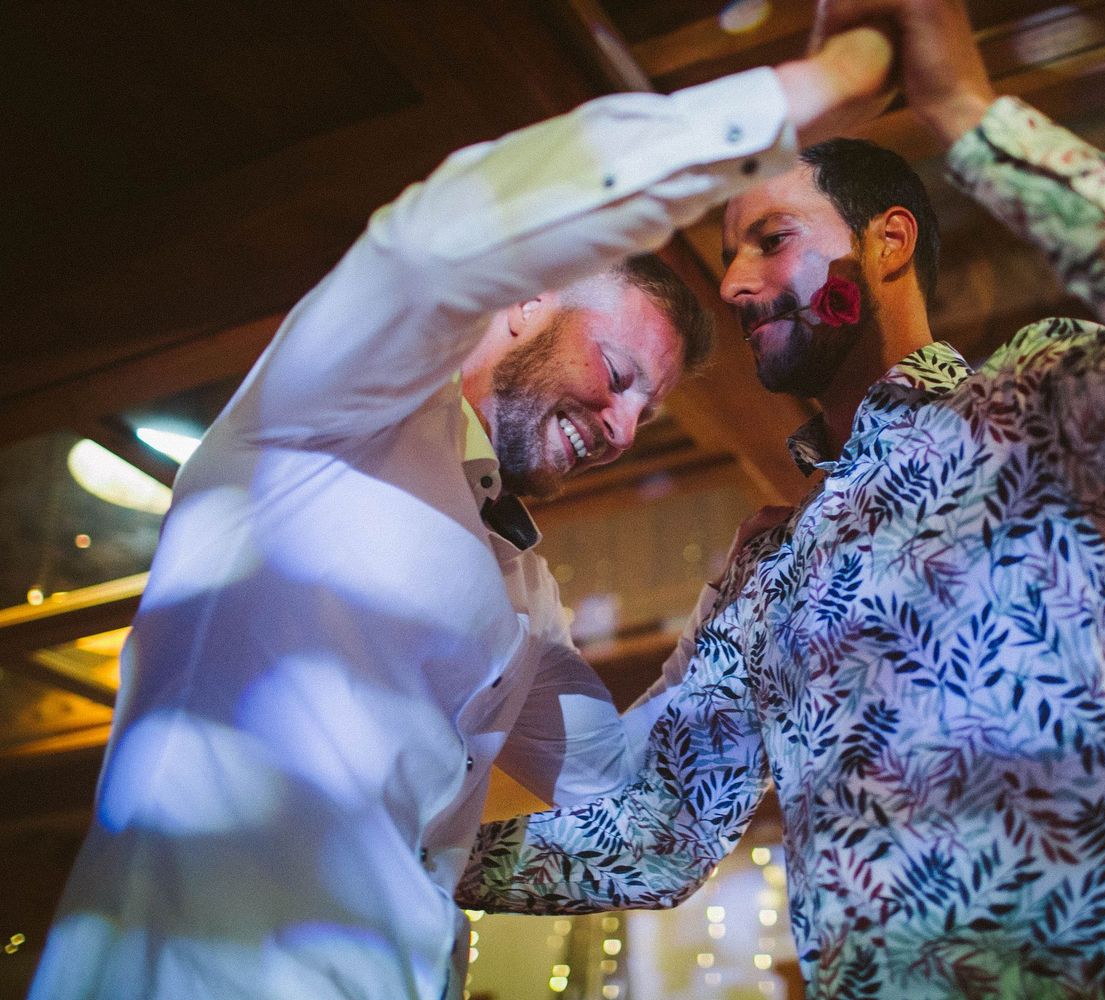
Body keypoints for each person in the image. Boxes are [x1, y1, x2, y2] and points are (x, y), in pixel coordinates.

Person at [456, 2, 1105, 998]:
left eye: (770, 238)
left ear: (887, 244)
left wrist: (967, 110)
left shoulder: (1027, 412)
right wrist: (399, 853)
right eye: (732, 259)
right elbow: (655, 831)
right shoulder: (770, 570)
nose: (741, 286)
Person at [26, 25, 898, 1000]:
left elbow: (627, 792)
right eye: (615, 377)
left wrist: (751, 598)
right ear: (524, 296)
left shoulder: (523, 584)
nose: (619, 428)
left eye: (643, 413)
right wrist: (811, 90)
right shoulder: (342, 409)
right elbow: (436, 240)